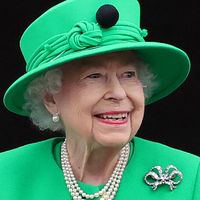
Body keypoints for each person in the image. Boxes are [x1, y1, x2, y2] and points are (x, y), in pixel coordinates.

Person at [1, 0, 199, 199]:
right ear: (51, 99)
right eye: (94, 76)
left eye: (129, 74)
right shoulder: (6, 176)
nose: (119, 93)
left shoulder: (192, 176)